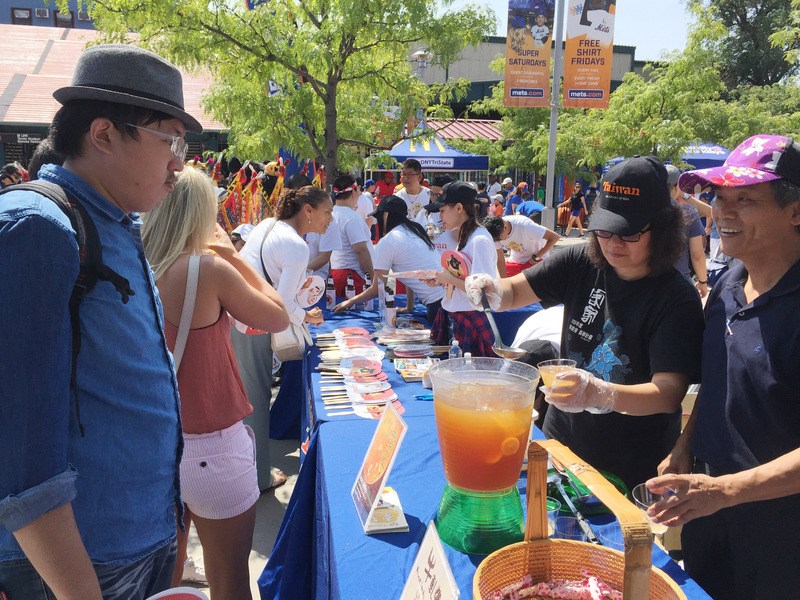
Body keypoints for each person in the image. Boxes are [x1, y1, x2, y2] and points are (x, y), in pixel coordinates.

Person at [0, 44, 203, 598]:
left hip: (142, 541)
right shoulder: (37, 228)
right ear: (105, 134)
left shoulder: (116, 221)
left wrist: (169, 523)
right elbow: (20, 459)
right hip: (80, 567)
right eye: (171, 141)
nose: (180, 163)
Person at [465, 156, 704, 489]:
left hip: (628, 463)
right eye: (604, 230)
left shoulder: (676, 298)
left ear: (662, 229)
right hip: (560, 442)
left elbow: (666, 394)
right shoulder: (582, 261)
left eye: (630, 233)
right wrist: (490, 289)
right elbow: (514, 292)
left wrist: (600, 393)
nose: (614, 243)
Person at [645, 135, 800, 600]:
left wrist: (726, 490)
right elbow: (717, 385)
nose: (723, 212)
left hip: (783, 533)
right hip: (708, 510)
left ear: (796, 211)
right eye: (719, 197)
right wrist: (685, 446)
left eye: (746, 200)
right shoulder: (728, 284)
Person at [141, 168, 288, 598]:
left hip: (156, 443)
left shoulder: (135, 261)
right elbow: (277, 315)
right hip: (212, 445)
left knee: (166, 576)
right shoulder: (207, 268)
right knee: (229, 579)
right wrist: (234, 257)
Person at [333, 195, 444, 324]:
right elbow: (412, 271)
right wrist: (409, 307)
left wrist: (349, 302)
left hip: (438, 306)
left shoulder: (388, 241)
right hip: (448, 297)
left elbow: (377, 288)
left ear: (385, 216)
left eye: (378, 217)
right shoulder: (416, 231)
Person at [428, 181, 499, 356]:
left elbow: (484, 291)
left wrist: (448, 279)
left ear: (459, 208)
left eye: (443, 210)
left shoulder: (479, 240)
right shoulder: (466, 236)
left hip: (470, 320)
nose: (440, 216)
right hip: (456, 316)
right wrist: (441, 281)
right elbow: (465, 279)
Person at [666, 165, 708, 297]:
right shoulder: (688, 213)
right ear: (677, 186)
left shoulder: (643, 211)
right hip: (680, 283)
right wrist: (703, 281)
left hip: (647, 282)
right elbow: (697, 255)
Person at [329, 173, 374, 297]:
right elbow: (361, 250)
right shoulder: (351, 218)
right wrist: (374, 279)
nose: (360, 193)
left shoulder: (332, 214)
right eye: (358, 189)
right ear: (353, 191)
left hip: (336, 273)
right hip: (352, 277)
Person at [484, 214, 560, 277]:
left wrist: (536, 257)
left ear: (505, 228)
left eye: (500, 239)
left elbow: (554, 237)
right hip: (517, 260)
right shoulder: (494, 234)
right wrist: (505, 282)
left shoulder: (525, 226)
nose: (499, 242)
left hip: (537, 260)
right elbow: (500, 259)